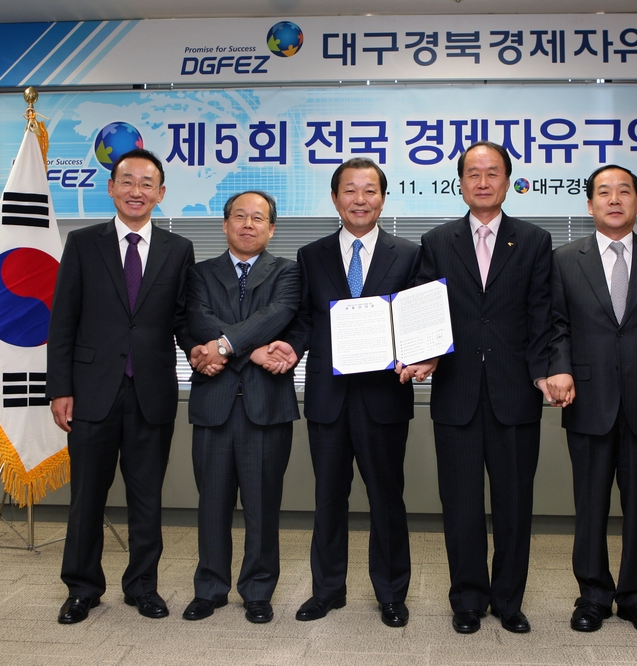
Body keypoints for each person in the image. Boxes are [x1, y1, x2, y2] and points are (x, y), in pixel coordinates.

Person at [399, 141, 552, 635]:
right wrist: (424, 354)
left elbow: (542, 315)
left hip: (515, 393)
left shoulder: (534, 240)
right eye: (473, 173)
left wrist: (545, 372)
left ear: (507, 180)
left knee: (514, 506)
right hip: (457, 392)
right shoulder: (437, 241)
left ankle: (509, 601)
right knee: (461, 506)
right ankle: (467, 600)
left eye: (492, 173)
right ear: (460, 183)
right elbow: (425, 308)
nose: (482, 182)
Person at [546, 165, 637, 635]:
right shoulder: (564, 258)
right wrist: (559, 367)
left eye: (624, 191)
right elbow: (556, 325)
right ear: (590, 204)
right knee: (590, 506)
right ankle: (592, 595)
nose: (614, 199)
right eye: (604, 192)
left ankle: (636, 597)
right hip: (587, 399)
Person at [47, 148, 195, 624]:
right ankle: (82, 588)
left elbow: (182, 319)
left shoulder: (178, 249)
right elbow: (63, 320)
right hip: (91, 392)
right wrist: (60, 388)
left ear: (161, 193)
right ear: (111, 188)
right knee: (86, 497)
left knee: (147, 498)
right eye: (127, 181)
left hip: (151, 391)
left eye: (147, 183)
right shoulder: (82, 243)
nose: (136, 191)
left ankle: (142, 587)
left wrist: (206, 351)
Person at [287, 158, 421, 628]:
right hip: (328, 396)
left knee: (387, 499)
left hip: (385, 396)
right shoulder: (311, 254)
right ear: (334, 198)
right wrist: (290, 347)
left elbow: (416, 319)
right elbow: (304, 320)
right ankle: (327, 590)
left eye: (369, 190)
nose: (359, 199)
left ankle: (391, 593)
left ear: (382, 198)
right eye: (349, 190)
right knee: (328, 498)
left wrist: (420, 354)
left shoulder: (409, 254)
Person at [179, 190, 301, 624]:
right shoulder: (199, 273)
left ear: (272, 228)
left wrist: (224, 346)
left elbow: (278, 315)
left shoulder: (288, 272)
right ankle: (209, 589)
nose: (248, 224)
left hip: (266, 405)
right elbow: (197, 319)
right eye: (240, 216)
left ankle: (258, 591)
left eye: (258, 218)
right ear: (225, 223)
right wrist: (252, 350)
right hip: (214, 403)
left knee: (263, 505)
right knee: (211, 504)